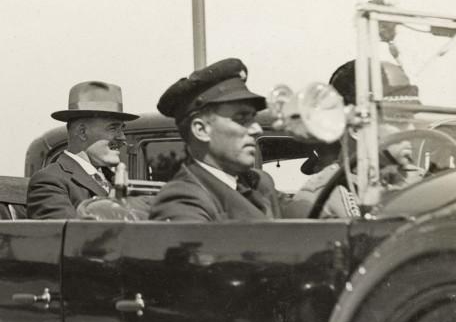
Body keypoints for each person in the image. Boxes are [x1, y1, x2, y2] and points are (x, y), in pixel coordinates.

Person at [285, 59, 422, 218]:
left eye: (411, 120)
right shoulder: (317, 199)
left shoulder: (425, 182)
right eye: (399, 120)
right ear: (357, 128)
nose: (411, 130)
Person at [149, 58, 281, 222]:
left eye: (253, 118)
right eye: (241, 118)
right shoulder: (183, 201)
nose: (257, 129)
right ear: (201, 130)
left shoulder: (259, 182)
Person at [26, 81, 139, 219]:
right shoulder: (50, 182)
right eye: (113, 128)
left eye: (122, 129)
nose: (123, 138)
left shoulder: (113, 180)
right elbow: (69, 236)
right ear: (82, 132)